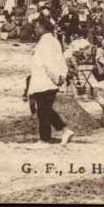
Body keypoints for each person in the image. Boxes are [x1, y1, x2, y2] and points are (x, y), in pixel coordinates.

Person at [27, 17, 75, 145]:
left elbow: (49, 64)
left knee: (43, 111)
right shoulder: (54, 41)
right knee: (46, 110)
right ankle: (65, 130)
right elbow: (60, 60)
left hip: (45, 81)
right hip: (48, 80)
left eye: (37, 27)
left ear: (43, 28)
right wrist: (61, 77)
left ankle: (45, 139)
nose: (35, 30)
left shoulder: (45, 43)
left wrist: (56, 79)